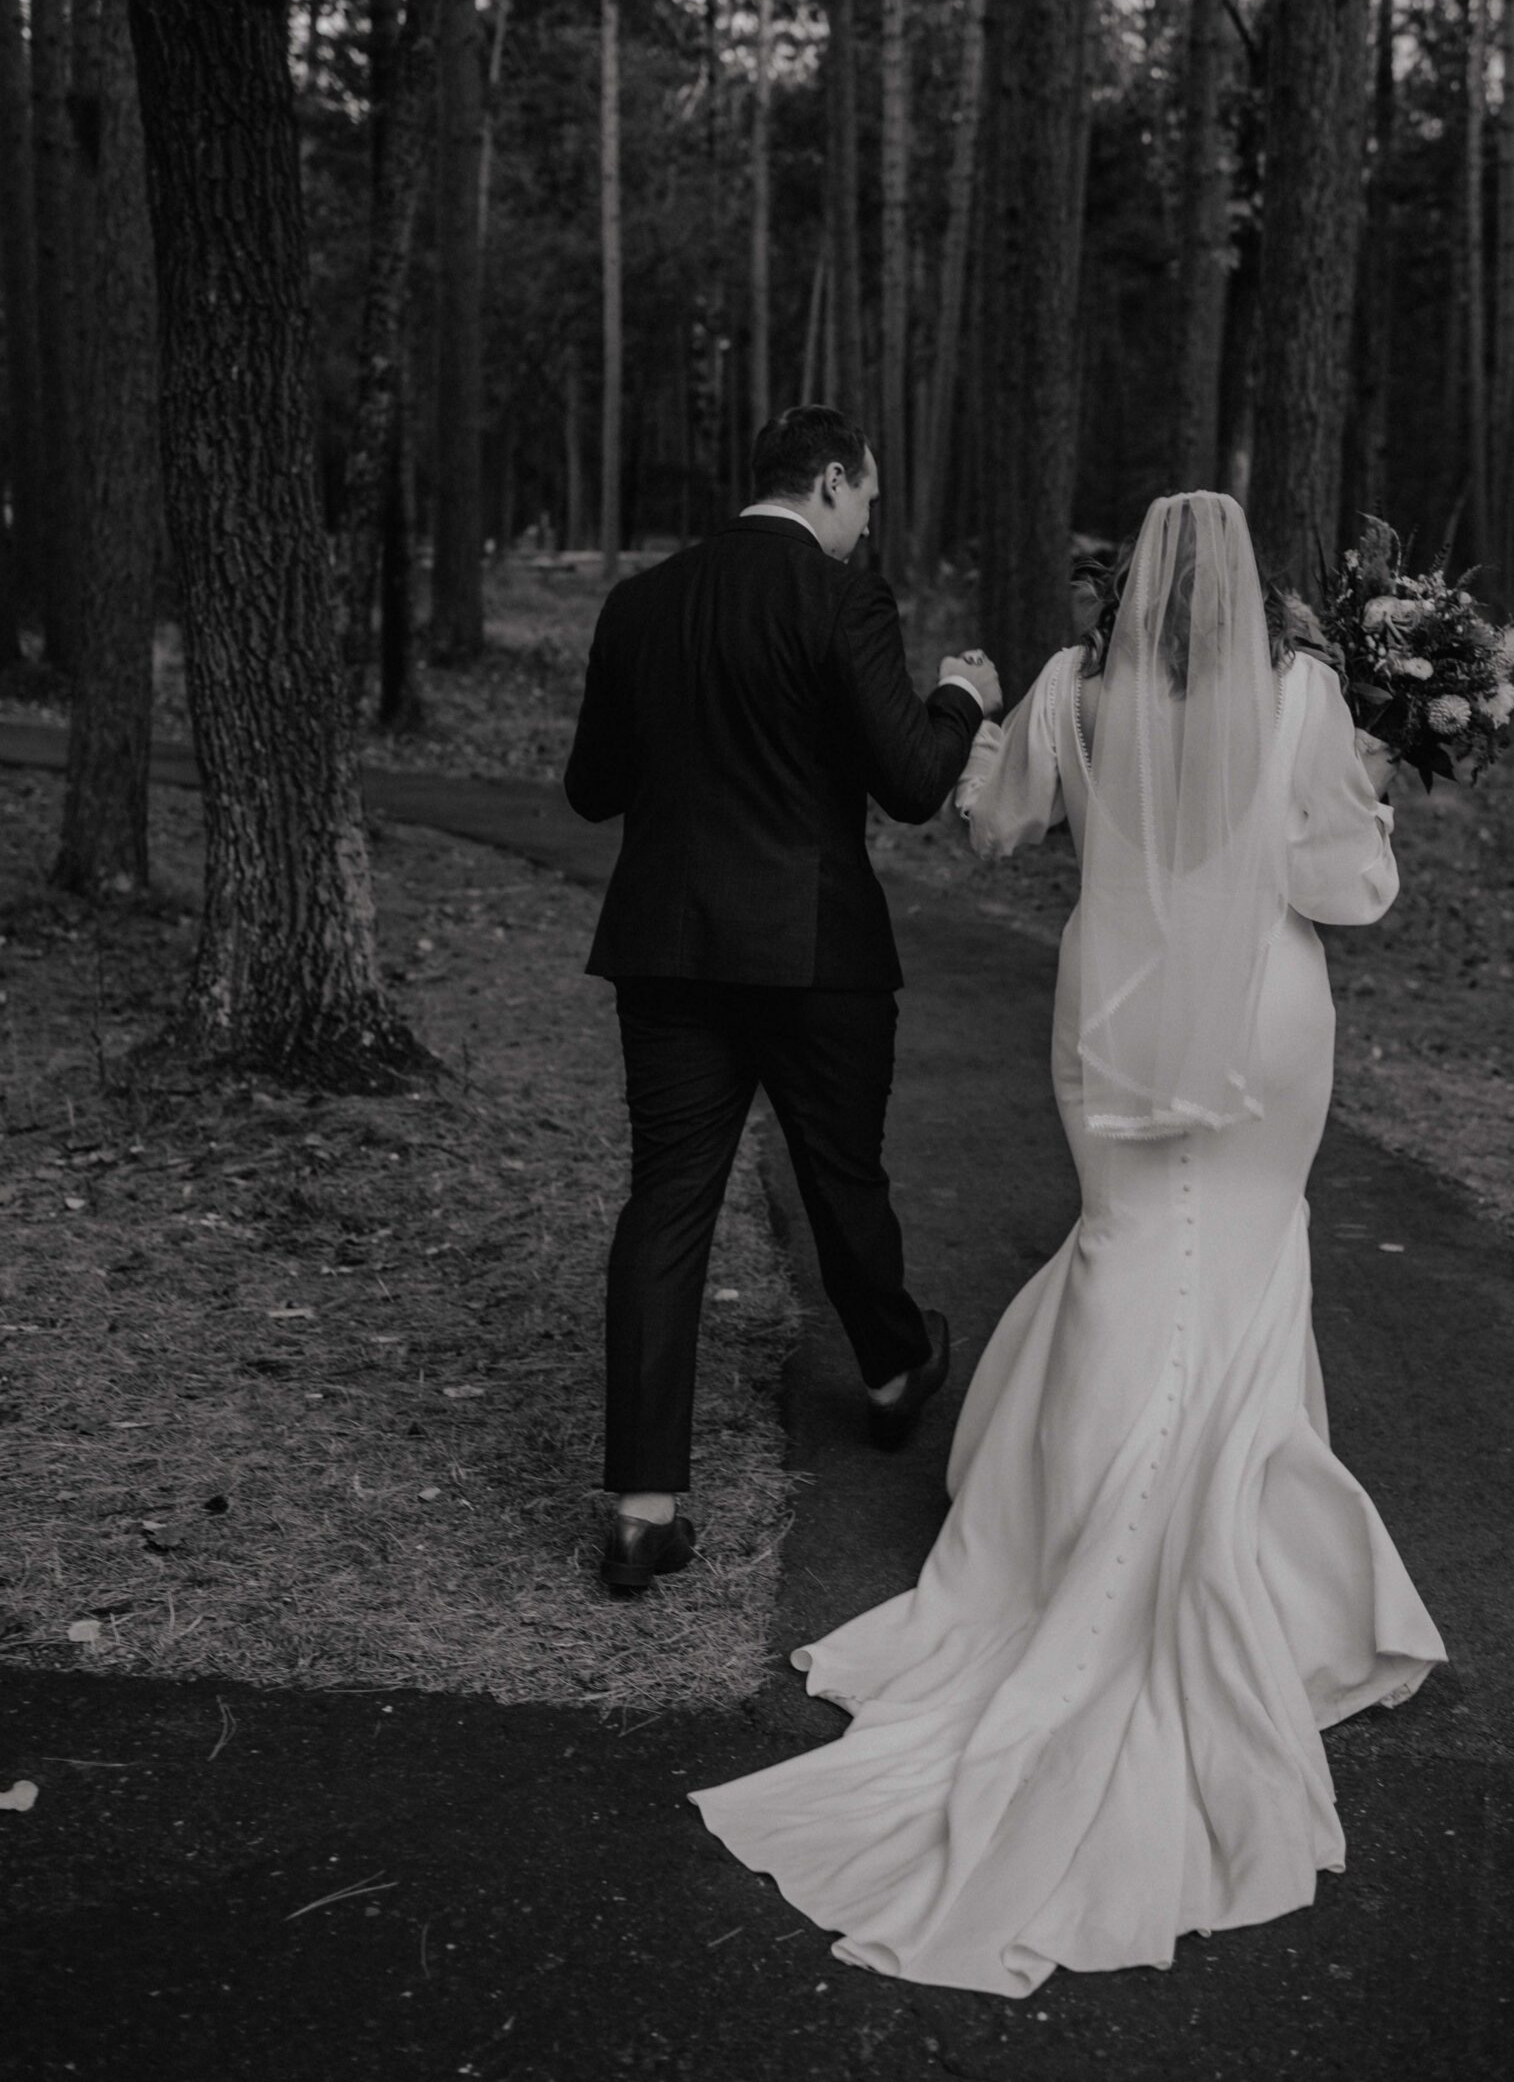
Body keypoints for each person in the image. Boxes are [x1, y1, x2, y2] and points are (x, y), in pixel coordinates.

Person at [692, 491, 1445, 1994]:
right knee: (1236, 1266)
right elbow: (1346, 889)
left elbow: (982, 823)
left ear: (1128, 590)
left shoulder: (1073, 690)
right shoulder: (1298, 696)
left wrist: (1010, 739)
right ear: (1241, 593)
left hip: (1106, 1011)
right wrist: (1363, 784)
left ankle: (1066, 1548)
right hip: (1260, 1026)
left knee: (1121, 1258)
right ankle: (1238, 1562)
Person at [564, 404, 1002, 1598]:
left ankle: (643, 1508)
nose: (865, 525)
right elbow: (913, 779)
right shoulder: (836, 598)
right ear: (826, 481)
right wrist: (960, 694)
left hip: (666, 949)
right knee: (840, 1172)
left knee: (666, 1201)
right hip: (813, 950)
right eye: (863, 500)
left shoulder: (641, 604)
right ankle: (891, 1372)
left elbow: (591, 787)